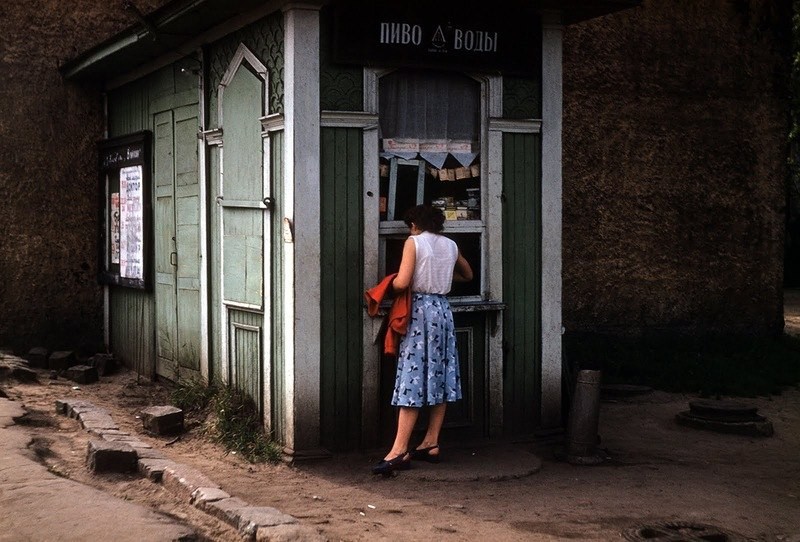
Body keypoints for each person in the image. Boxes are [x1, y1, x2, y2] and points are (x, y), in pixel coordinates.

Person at [372, 204, 473, 475]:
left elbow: (403, 282)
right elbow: (468, 274)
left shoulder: (414, 242)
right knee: (440, 374)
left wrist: (386, 284)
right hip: (443, 310)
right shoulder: (450, 245)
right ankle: (431, 442)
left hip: (419, 312)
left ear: (414, 225)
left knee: (412, 377)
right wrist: (440, 276)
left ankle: (399, 450)